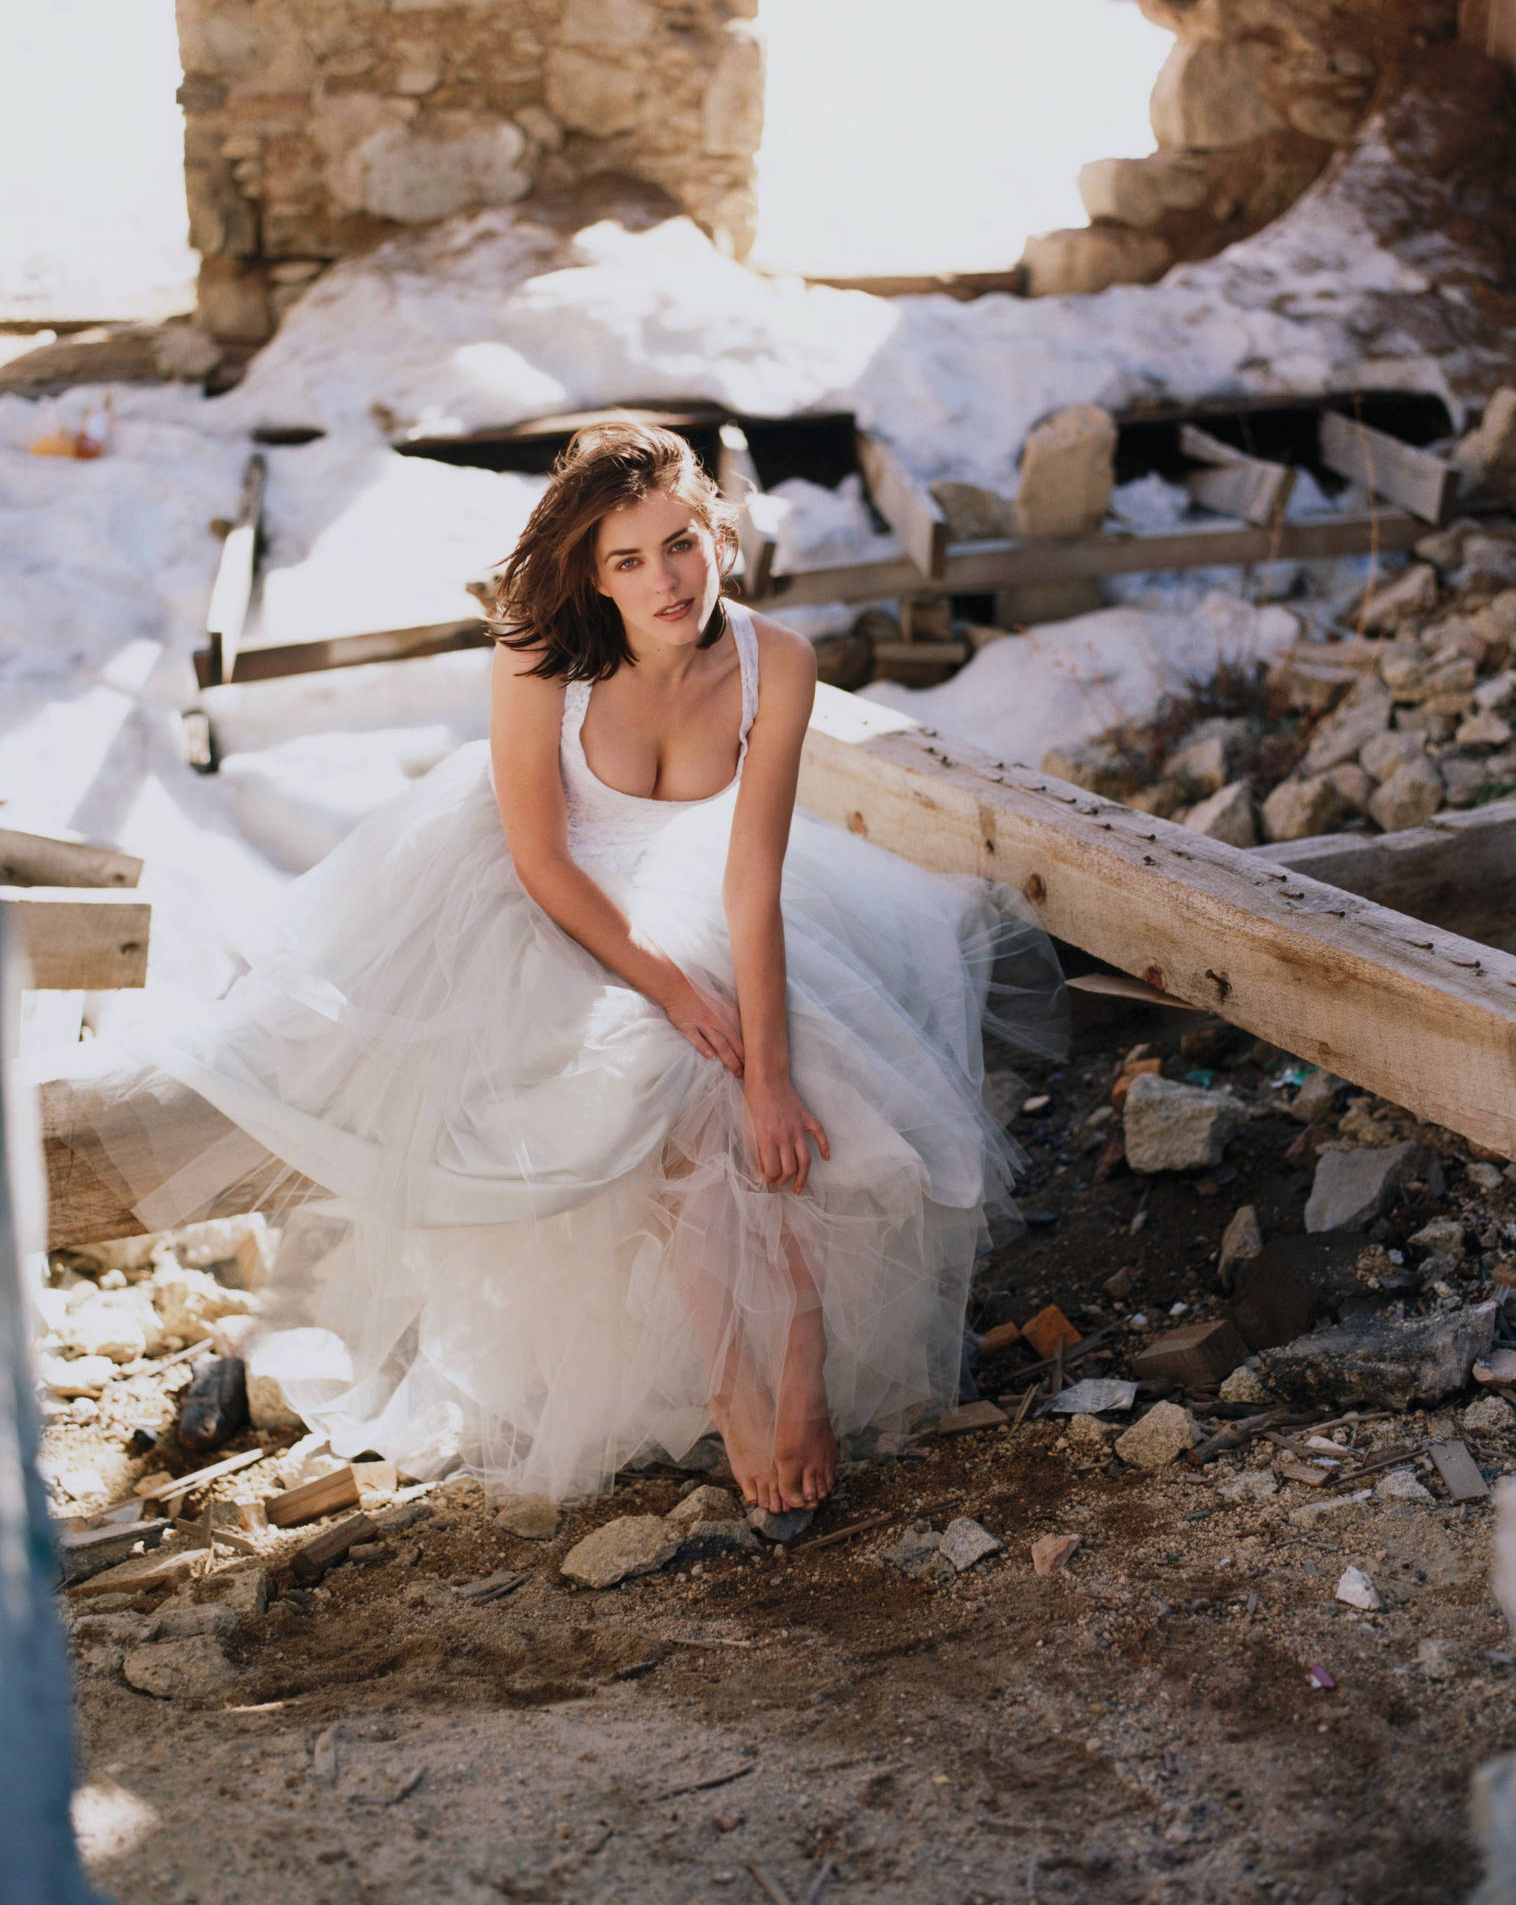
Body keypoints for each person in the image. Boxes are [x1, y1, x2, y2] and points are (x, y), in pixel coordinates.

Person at [57, 421, 1067, 1514]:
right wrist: (677, 993)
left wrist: (767, 1070)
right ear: (593, 573)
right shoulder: (542, 654)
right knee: (671, 1084)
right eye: (627, 561)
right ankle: (738, 1391)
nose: (665, 580)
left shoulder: (779, 663)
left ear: (716, 531)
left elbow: (750, 881)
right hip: (535, 902)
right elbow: (541, 860)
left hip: (689, 895)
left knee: (795, 1097)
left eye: (680, 543)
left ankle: (805, 1375)